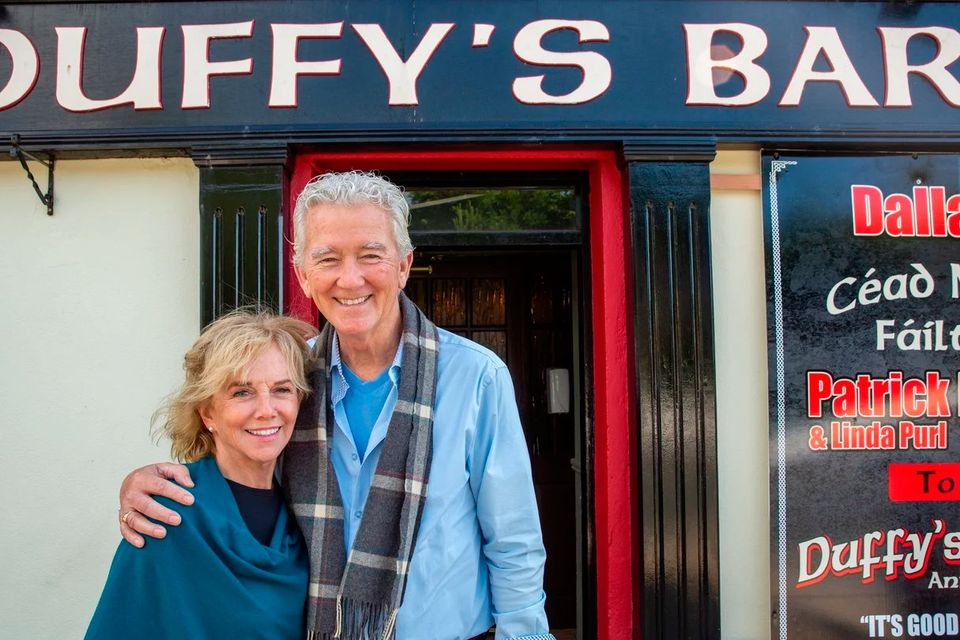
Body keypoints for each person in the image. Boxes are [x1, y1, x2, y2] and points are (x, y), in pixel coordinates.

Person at [118, 171, 556, 640]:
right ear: (304, 276)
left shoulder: (475, 376)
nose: (350, 279)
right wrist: (144, 486)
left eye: (371, 255)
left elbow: (512, 540)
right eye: (328, 259)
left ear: (404, 265)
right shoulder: (288, 379)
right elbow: (232, 468)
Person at [88, 311, 315, 639]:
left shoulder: (305, 517)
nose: (267, 409)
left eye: (282, 390)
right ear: (207, 412)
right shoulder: (164, 515)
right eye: (242, 392)